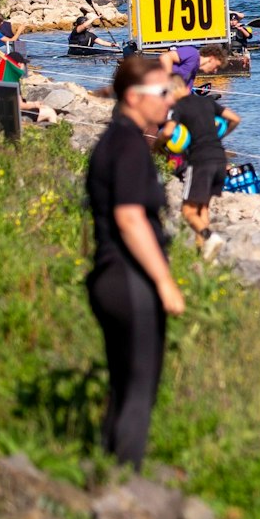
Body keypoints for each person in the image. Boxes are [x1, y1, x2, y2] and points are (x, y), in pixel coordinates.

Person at [84, 55, 189, 468]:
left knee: (124, 386)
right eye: (162, 92)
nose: (169, 101)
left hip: (113, 278)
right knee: (138, 391)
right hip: (128, 279)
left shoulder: (120, 140)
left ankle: (108, 477)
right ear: (133, 97)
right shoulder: (126, 145)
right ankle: (126, 489)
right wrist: (164, 282)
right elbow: (130, 217)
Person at [164, 75, 240, 257]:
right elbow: (235, 119)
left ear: (173, 90)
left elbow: (167, 132)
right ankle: (204, 253)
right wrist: (219, 137)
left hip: (199, 161)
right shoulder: (207, 102)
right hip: (220, 159)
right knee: (203, 207)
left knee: (188, 211)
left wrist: (159, 145)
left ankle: (210, 236)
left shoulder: (178, 108)